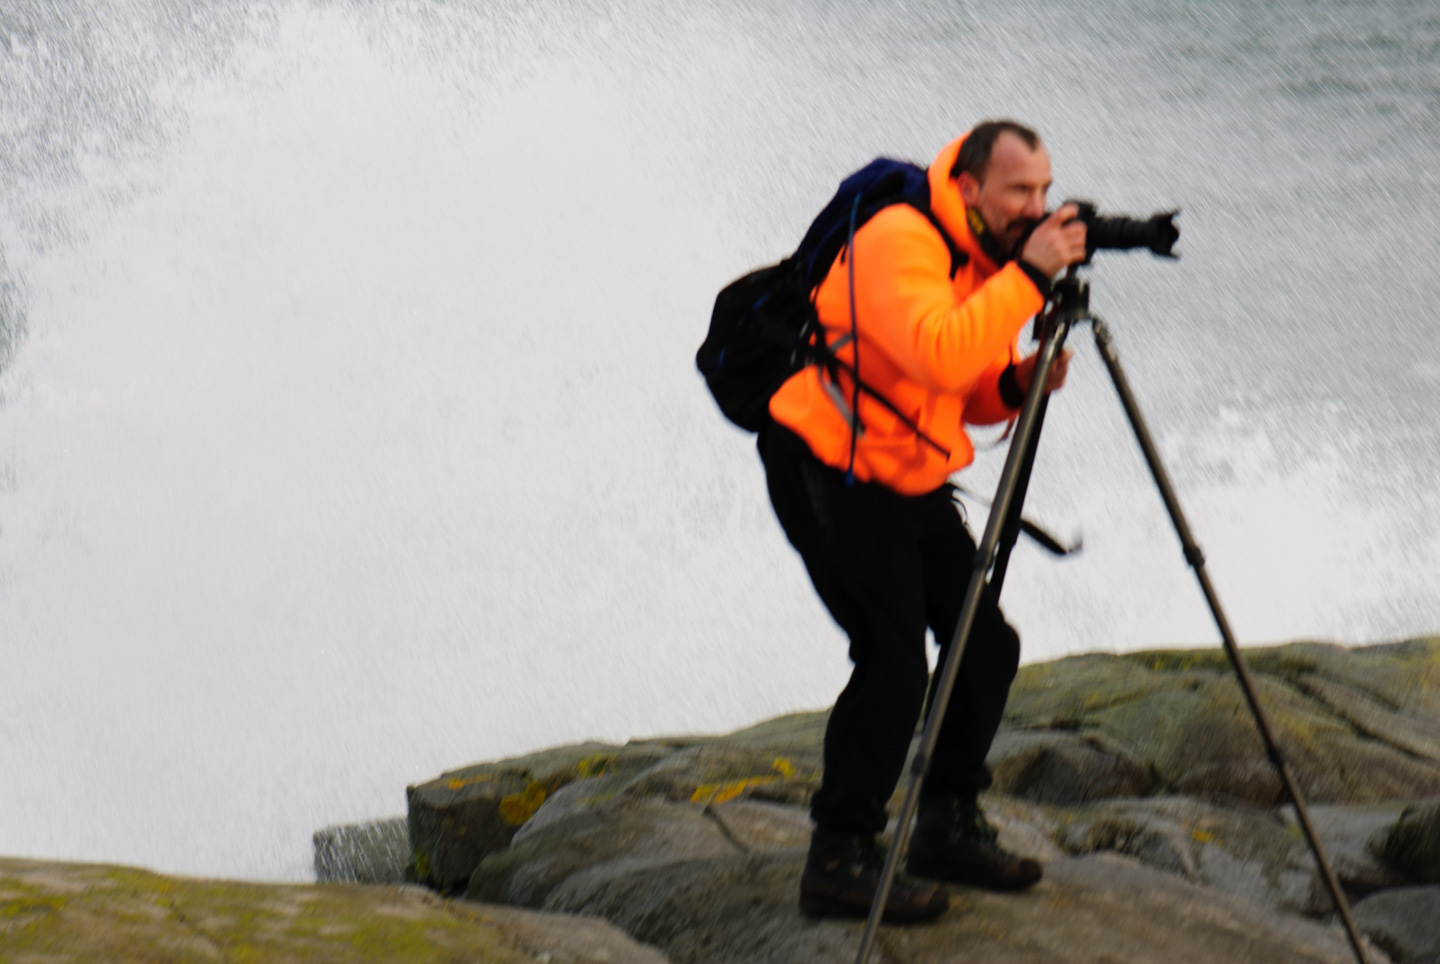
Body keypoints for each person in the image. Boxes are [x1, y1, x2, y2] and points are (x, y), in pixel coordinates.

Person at [758, 120, 1088, 922]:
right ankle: (837, 856)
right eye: (1021, 191)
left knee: (985, 645)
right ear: (971, 187)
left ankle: (943, 822)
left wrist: (1017, 383)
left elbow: (961, 389)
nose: (1035, 208)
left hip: (905, 469)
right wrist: (1030, 277)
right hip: (828, 466)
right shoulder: (900, 237)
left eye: (1043, 191)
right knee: (895, 664)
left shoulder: (986, 257)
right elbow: (935, 351)